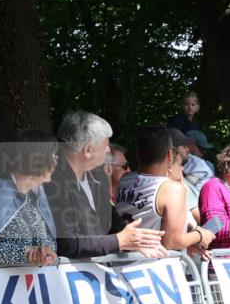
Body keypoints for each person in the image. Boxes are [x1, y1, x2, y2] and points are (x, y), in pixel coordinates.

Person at [44, 111, 166, 259]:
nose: (108, 149)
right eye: (106, 144)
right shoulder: (50, 180)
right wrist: (119, 241)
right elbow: (66, 244)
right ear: (88, 150)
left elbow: (109, 216)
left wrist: (136, 239)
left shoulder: (98, 174)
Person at [0, 131, 60, 267]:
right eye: (53, 157)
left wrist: (44, 253)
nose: (56, 163)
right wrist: (25, 253)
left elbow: (48, 243)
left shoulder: (35, 196)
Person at [115, 126, 215, 254]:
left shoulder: (125, 179)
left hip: (122, 261)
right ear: (169, 155)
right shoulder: (172, 189)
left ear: (137, 153)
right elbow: (171, 242)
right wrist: (200, 235)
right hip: (154, 262)